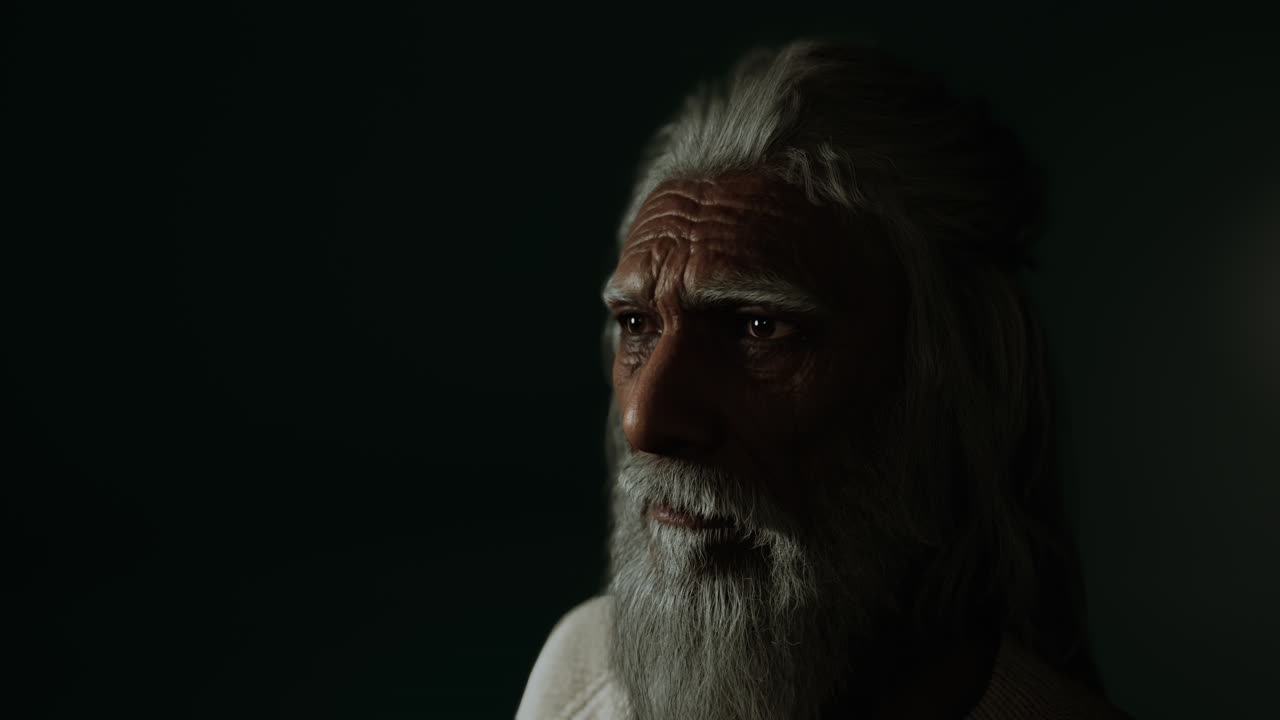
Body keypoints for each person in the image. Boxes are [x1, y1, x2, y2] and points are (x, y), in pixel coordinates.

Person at [516, 38, 1131, 720]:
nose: (645, 422)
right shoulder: (579, 667)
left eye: (759, 327)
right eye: (637, 325)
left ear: (947, 381)